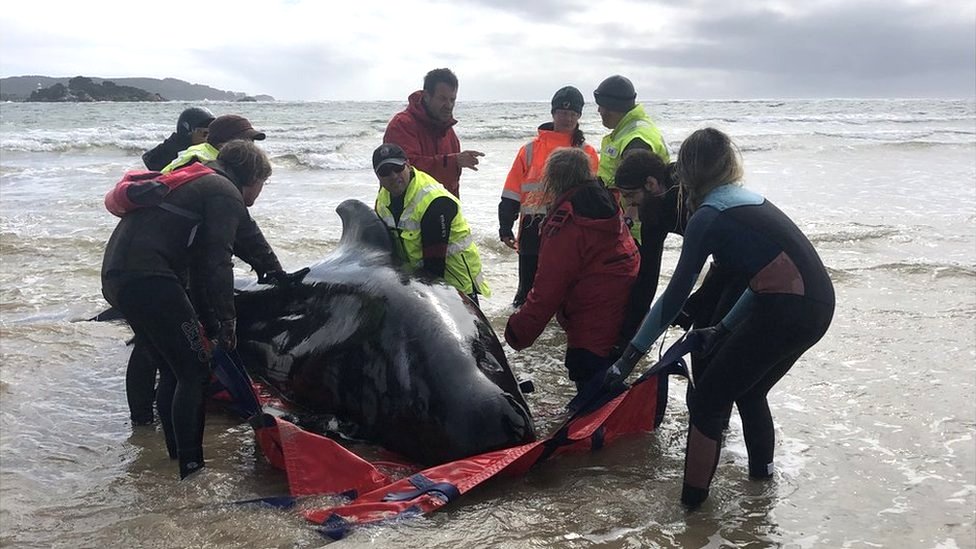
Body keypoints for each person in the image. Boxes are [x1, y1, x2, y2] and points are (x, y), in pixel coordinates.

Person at [608, 128, 835, 507]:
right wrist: (724, 327)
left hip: (788, 308)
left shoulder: (708, 215)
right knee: (749, 390)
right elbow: (766, 277)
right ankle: (761, 488)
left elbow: (674, 296)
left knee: (709, 399)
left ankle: (691, 512)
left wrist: (628, 357)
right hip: (817, 305)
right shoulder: (744, 199)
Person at [102, 140, 289, 479]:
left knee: (174, 369)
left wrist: (275, 273)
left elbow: (249, 239)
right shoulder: (223, 191)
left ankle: (175, 458)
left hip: (120, 277)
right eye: (265, 183)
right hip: (151, 279)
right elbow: (216, 262)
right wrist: (226, 321)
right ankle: (192, 471)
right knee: (194, 371)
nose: (262, 192)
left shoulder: (201, 180)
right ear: (254, 176)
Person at [504, 148, 639, 402]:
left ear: (553, 181)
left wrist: (516, 332)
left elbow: (547, 290)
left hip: (592, 326)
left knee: (591, 399)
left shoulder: (567, 222)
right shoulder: (608, 204)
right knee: (609, 391)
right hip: (625, 317)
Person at [499, 86, 600, 308]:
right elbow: (511, 190)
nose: (567, 118)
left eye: (573, 114)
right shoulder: (529, 150)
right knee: (526, 293)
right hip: (532, 229)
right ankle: (520, 337)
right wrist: (505, 225)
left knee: (567, 292)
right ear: (553, 113)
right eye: (562, 113)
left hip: (569, 229)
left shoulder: (587, 151)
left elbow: (594, 198)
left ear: (579, 117)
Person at [372, 143, 490, 303]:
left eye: (397, 168)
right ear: (377, 175)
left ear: (407, 164)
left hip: (454, 283)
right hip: (417, 280)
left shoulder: (435, 201)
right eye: (385, 172)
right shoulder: (383, 199)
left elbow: (434, 267)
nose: (393, 176)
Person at [383, 68, 484, 198]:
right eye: (442, 99)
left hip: (442, 211)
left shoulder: (449, 132)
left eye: (452, 100)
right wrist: (453, 162)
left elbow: (452, 186)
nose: (448, 105)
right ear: (426, 96)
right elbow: (405, 172)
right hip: (405, 213)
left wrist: (454, 213)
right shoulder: (401, 125)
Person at [593, 74, 670, 241]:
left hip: (637, 226)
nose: (599, 111)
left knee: (640, 267)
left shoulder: (636, 141)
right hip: (634, 221)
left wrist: (627, 222)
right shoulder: (629, 129)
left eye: (601, 106)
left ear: (613, 107)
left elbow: (638, 188)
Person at [161, 114, 266, 173]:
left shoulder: (215, 156)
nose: (252, 147)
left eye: (252, 141)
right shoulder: (200, 162)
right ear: (223, 145)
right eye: (245, 142)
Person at [142, 107, 215, 171]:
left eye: (212, 133)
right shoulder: (165, 153)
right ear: (187, 132)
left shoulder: (205, 150)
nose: (208, 138)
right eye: (205, 133)